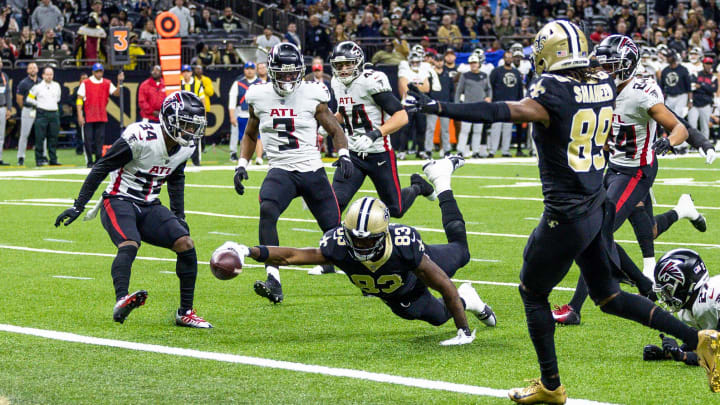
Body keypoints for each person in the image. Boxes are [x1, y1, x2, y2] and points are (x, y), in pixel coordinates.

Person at [406, 20, 720, 401]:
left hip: (566, 211)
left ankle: (551, 386)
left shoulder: (553, 89)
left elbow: (503, 112)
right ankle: (700, 339)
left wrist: (438, 106)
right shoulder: (604, 85)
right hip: (594, 201)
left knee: (531, 291)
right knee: (610, 298)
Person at [222, 157, 495, 344]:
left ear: (383, 234)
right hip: (398, 294)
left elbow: (444, 285)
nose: (362, 244)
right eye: (357, 238)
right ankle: (468, 298)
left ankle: (441, 178)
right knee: (437, 319)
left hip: (416, 267)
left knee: (462, 252)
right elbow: (292, 255)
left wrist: (464, 332)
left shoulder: (403, 245)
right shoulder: (338, 244)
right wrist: (247, 250)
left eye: (368, 239)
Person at [551, 35, 704, 326]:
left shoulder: (639, 92)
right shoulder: (600, 88)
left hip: (637, 170)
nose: (604, 72)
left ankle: (575, 307)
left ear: (627, 66)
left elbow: (679, 128)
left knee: (597, 232)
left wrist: (667, 142)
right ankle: (646, 285)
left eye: (611, 66)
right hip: (614, 166)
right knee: (644, 231)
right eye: (603, 66)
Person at [54, 91, 212, 328]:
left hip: (150, 204)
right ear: (169, 120)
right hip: (118, 200)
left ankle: (185, 311)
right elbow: (102, 167)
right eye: (186, 124)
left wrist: (179, 215)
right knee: (130, 243)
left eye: (194, 126)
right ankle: (121, 300)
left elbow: (176, 178)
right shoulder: (141, 137)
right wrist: (78, 205)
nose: (190, 131)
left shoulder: (185, 148)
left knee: (186, 244)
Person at [232, 43, 353, 304]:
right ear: (272, 71)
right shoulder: (258, 95)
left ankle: (363, 273)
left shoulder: (313, 93)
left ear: (300, 71)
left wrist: (343, 154)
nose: (288, 78)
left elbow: (335, 130)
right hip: (281, 170)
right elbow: (251, 134)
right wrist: (242, 162)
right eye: (283, 73)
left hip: (312, 169)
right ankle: (273, 278)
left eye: (292, 73)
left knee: (334, 230)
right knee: (267, 210)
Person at [325, 41, 434, 275]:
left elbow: (401, 115)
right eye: (339, 65)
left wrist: (376, 133)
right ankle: (331, 259)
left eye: (347, 64)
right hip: (353, 155)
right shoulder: (336, 82)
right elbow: (346, 113)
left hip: (379, 154)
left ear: (358, 63)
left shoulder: (370, 81)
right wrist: (329, 125)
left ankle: (417, 186)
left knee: (396, 208)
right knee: (334, 204)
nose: (343, 69)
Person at [643, 249, 719, 367]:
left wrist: (684, 356)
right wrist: (671, 352)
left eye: (668, 290)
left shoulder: (713, 298)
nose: (665, 296)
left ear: (684, 284)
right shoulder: (691, 308)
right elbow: (704, 340)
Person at [77, 63, 124, 168]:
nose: (99, 73)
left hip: (101, 115)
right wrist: (80, 115)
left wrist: (119, 82)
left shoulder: (107, 83)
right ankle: (89, 161)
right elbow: (79, 99)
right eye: (97, 71)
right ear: (93, 72)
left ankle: (98, 160)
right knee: (88, 139)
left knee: (100, 139)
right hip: (89, 115)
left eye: (100, 71)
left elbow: (116, 93)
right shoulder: (86, 83)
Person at [455, 54, 491, 158]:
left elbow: (489, 89)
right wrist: (457, 104)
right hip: (467, 106)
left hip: (480, 106)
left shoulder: (484, 75)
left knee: (478, 130)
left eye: (475, 63)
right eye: (471, 63)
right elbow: (459, 91)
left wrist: (489, 98)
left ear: (479, 64)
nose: (473, 65)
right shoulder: (465, 75)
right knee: (465, 130)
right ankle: (460, 151)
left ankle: (475, 151)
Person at [489, 51, 524, 157]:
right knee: (496, 128)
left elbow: (519, 90)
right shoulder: (496, 71)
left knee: (507, 129)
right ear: (503, 59)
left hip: (511, 105)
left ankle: (505, 151)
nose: (508, 59)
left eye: (510, 57)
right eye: (506, 57)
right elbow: (491, 86)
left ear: (512, 59)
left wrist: (520, 102)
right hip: (498, 104)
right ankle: (492, 151)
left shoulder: (517, 73)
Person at [396, 49, 429, 160]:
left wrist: (413, 86)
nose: (415, 64)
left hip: (420, 104)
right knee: (406, 129)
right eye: (413, 62)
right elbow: (406, 90)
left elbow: (427, 88)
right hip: (408, 103)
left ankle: (421, 150)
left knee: (421, 128)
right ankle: (402, 151)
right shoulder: (404, 71)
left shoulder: (423, 71)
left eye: (417, 62)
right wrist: (419, 86)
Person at [25, 66, 60, 166]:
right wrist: (38, 104)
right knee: (40, 137)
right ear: (43, 75)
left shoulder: (56, 85)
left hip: (54, 113)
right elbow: (29, 98)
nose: (49, 76)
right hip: (42, 113)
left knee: (53, 137)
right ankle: (39, 159)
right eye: (47, 74)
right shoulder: (38, 87)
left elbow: (58, 98)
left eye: (51, 74)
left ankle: (53, 159)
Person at [228, 61, 261, 162]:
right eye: (247, 69)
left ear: (255, 70)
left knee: (258, 137)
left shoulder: (261, 83)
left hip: (257, 114)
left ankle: (259, 157)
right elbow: (232, 101)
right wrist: (232, 116)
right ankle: (246, 157)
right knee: (243, 137)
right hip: (242, 114)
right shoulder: (238, 83)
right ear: (244, 70)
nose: (250, 71)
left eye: (251, 69)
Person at [425, 53, 454, 157]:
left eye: (441, 60)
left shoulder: (447, 74)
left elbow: (451, 90)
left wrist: (451, 103)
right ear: (434, 61)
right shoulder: (430, 74)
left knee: (445, 129)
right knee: (430, 128)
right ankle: (428, 150)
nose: (439, 62)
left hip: (445, 104)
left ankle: (446, 150)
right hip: (433, 104)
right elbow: (426, 90)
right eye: (437, 60)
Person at [180, 64, 205, 166]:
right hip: (182, 115)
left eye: (188, 71)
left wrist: (203, 115)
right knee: (180, 138)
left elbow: (202, 101)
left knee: (195, 138)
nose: (186, 74)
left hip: (195, 115)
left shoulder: (198, 84)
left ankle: (196, 161)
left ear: (191, 73)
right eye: (184, 72)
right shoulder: (178, 84)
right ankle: (180, 161)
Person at [15, 62, 40, 166]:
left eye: (34, 67)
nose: (33, 70)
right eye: (30, 68)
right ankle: (21, 157)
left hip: (39, 110)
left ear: (37, 69)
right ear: (27, 70)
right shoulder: (23, 83)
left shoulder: (41, 82)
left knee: (41, 135)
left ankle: (42, 157)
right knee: (24, 135)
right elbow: (19, 99)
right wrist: (25, 108)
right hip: (28, 109)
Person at [688, 57, 717, 140]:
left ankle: (705, 146)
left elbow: (713, 89)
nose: (708, 66)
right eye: (706, 64)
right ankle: (694, 144)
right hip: (694, 104)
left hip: (706, 104)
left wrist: (701, 85)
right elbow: (692, 86)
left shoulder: (713, 77)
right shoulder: (696, 74)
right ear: (703, 64)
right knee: (692, 125)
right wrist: (706, 87)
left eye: (710, 64)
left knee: (705, 126)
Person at [0, 56, 11, 166]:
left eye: (1, 62)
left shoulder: (4, 76)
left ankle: (0, 158)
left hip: (2, 107)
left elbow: (7, 92)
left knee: (1, 135)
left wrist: (9, 108)